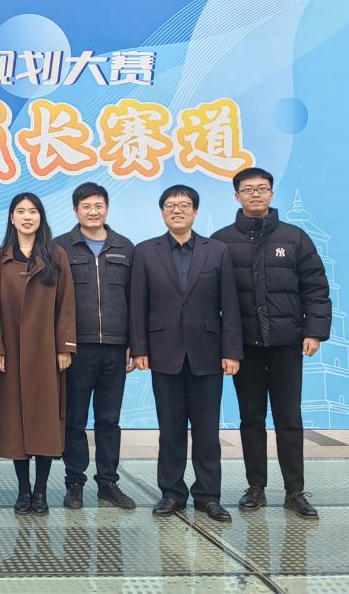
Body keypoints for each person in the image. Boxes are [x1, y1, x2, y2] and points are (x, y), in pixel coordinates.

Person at [212, 168, 330, 518]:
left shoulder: (294, 238)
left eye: (262, 188)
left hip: (287, 343)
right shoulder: (221, 241)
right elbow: (211, 297)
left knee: (289, 417)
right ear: (236, 196)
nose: (255, 194)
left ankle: (295, 491)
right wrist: (224, 345)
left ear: (272, 194)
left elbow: (315, 287)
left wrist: (314, 331)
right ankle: (256, 487)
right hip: (245, 348)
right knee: (251, 418)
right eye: (248, 189)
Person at [130, 185, 242, 523]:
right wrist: (140, 348)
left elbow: (230, 305)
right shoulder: (145, 251)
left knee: (207, 431)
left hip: (208, 353)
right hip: (163, 353)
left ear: (195, 211)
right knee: (170, 430)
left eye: (184, 205)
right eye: (170, 205)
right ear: (162, 212)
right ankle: (172, 494)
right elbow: (138, 305)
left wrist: (231, 351)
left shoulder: (217, 251)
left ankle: (208, 496)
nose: (177, 210)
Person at [0, 193, 76, 516]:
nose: (27, 217)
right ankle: (23, 490)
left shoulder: (56, 255)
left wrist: (64, 347)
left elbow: (66, 303)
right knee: (15, 424)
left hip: (45, 353)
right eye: (21, 211)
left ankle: (40, 492)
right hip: (10, 355)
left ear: (41, 217)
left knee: (44, 422)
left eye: (33, 211)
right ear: (11, 218)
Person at [53, 182, 136, 510]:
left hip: (116, 347)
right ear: (75, 211)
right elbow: (54, 301)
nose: (93, 211)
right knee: (74, 419)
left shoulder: (125, 247)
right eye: (86, 206)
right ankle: (74, 483)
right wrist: (60, 345)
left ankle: (108, 483)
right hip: (77, 348)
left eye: (98, 205)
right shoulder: (60, 247)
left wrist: (134, 344)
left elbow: (135, 299)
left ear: (107, 208)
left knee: (109, 419)